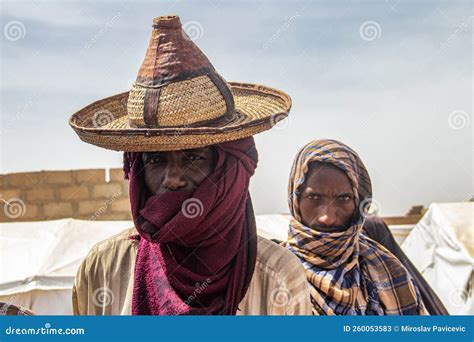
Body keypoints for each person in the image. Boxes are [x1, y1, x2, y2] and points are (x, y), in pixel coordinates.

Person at [70, 15, 311, 315]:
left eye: (193, 157)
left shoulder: (277, 277)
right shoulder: (103, 270)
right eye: (156, 160)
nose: (173, 180)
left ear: (230, 170)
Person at [286, 139, 428, 315]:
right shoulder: (270, 274)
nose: (327, 218)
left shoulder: (390, 273)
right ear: (295, 199)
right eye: (314, 198)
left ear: (359, 203)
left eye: (344, 199)